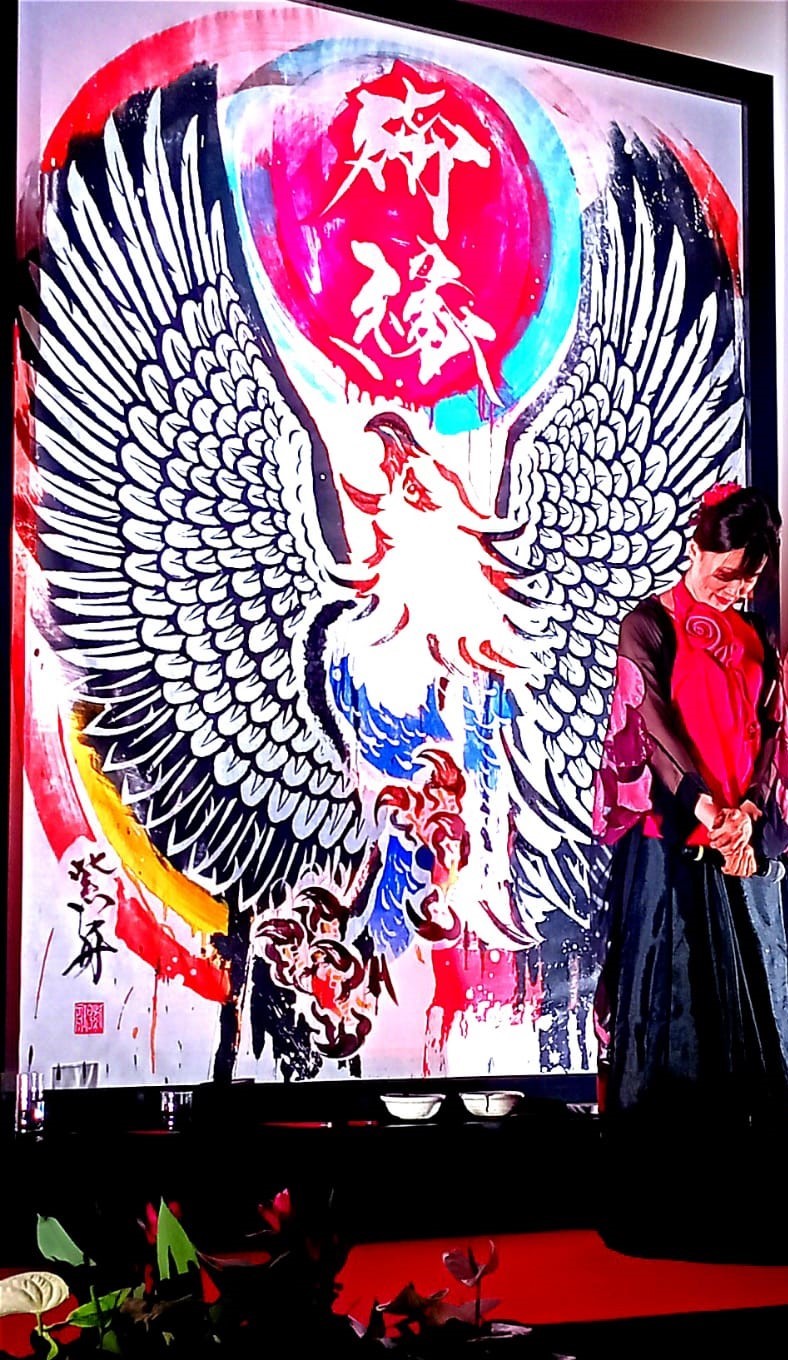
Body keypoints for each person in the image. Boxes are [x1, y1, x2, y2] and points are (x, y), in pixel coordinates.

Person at [591, 482, 788, 1261]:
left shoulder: (758, 635)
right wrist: (707, 809)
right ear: (697, 549)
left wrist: (752, 817)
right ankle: (665, 1212)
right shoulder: (650, 625)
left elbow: (772, 730)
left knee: (755, 1022)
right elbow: (652, 725)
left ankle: (746, 1210)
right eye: (726, 571)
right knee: (672, 1022)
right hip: (671, 846)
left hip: (740, 844)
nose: (734, 588)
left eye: (749, 577)